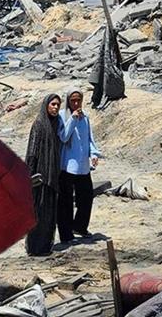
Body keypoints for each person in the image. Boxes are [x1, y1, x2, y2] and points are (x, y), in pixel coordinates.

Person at [57, 88, 100, 244]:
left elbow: (89, 139)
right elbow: (63, 137)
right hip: (68, 166)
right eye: (73, 101)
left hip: (82, 165)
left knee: (86, 198)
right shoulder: (63, 116)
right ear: (68, 101)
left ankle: (80, 226)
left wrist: (94, 154)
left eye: (78, 100)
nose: (76, 104)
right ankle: (67, 233)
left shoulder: (85, 117)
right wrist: (73, 119)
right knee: (66, 201)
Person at [25, 94, 62, 256]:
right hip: (40, 176)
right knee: (38, 212)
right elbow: (32, 152)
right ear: (46, 105)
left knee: (49, 213)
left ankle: (45, 246)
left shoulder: (55, 124)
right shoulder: (39, 124)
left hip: (51, 176)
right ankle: (34, 247)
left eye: (58, 105)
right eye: (53, 104)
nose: (55, 108)